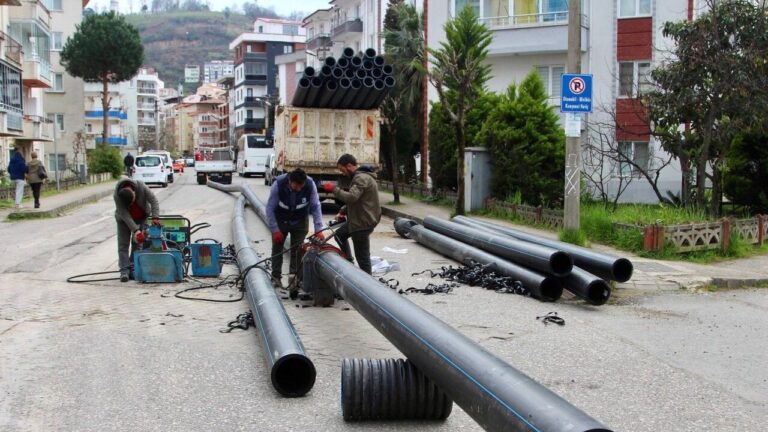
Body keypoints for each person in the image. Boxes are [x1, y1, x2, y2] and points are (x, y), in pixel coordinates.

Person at [322, 154, 381, 274]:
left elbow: (352, 197)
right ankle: (349, 261)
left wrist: (334, 189)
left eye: (342, 170)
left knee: (363, 258)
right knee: (340, 235)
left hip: (362, 222)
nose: (343, 173)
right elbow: (358, 200)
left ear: (349, 166)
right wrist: (343, 211)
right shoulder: (361, 177)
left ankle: (367, 282)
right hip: (357, 220)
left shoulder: (361, 178)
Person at [265, 168, 324, 287]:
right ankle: (276, 277)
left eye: (301, 186)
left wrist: (318, 229)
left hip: (300, 220)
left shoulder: (310, 184)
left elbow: (315, 206)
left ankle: (295, 279)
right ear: (290, 181)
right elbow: (270, 208)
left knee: (298, 250)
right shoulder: (278, 185)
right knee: (277, 248)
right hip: (281, 219)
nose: (300, 189)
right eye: (297, 186)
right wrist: (275, 230)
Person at [114, 177, 160, 282]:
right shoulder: (117, 194)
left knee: (138, 243)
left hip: (141, 217)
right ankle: (124, 271)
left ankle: (134, 267)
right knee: (123, 245)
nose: (130, 206)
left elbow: (154, 201)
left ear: (134, 193)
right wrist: (136, 230)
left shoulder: (141, 186)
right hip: (124, 220)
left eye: (131, 202)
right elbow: (124, 214)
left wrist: (155, 217)